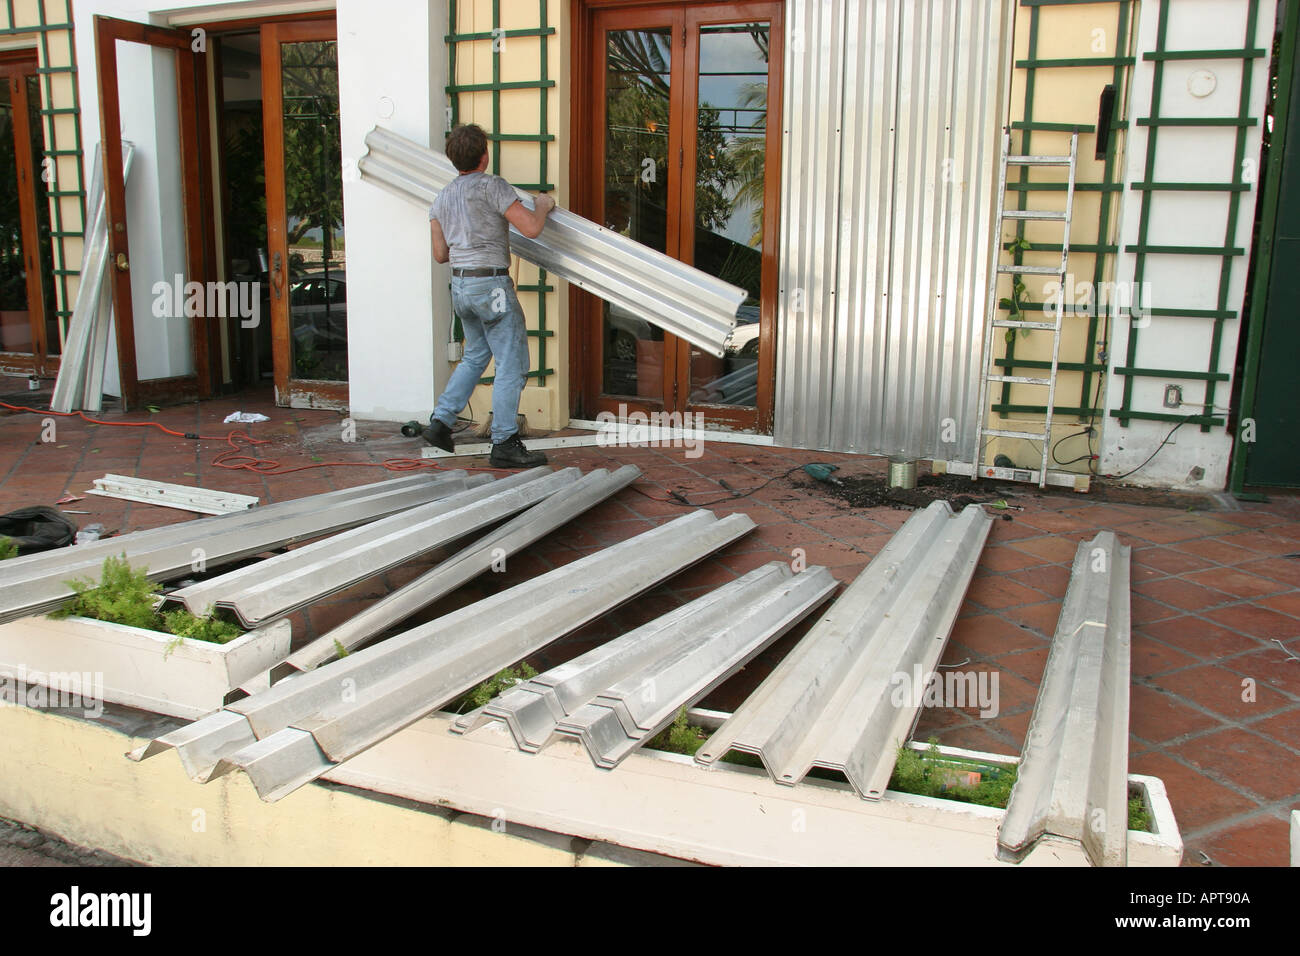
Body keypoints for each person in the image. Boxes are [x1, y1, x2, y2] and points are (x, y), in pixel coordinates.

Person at [422, 123, 556, 468]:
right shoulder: (492, 186)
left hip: (462, 287)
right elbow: (531, 228)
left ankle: (440, 422)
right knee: (512, 363)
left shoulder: (442, 198)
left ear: (455, 159)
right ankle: (505, 442)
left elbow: (440, 254)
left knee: (476, 355)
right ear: (485, 155)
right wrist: (542, 205)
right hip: (491, 286)